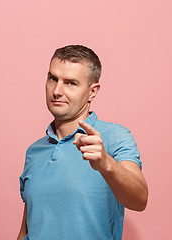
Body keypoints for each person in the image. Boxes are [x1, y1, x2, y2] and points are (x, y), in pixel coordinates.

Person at [17, 45, 148, 240]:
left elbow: (140, 200)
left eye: (70, 83)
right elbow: (28, 229)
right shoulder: (35, 151)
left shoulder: (113, 137)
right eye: (53, 78)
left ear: (92, 91)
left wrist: (107, 164)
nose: (57, 91)